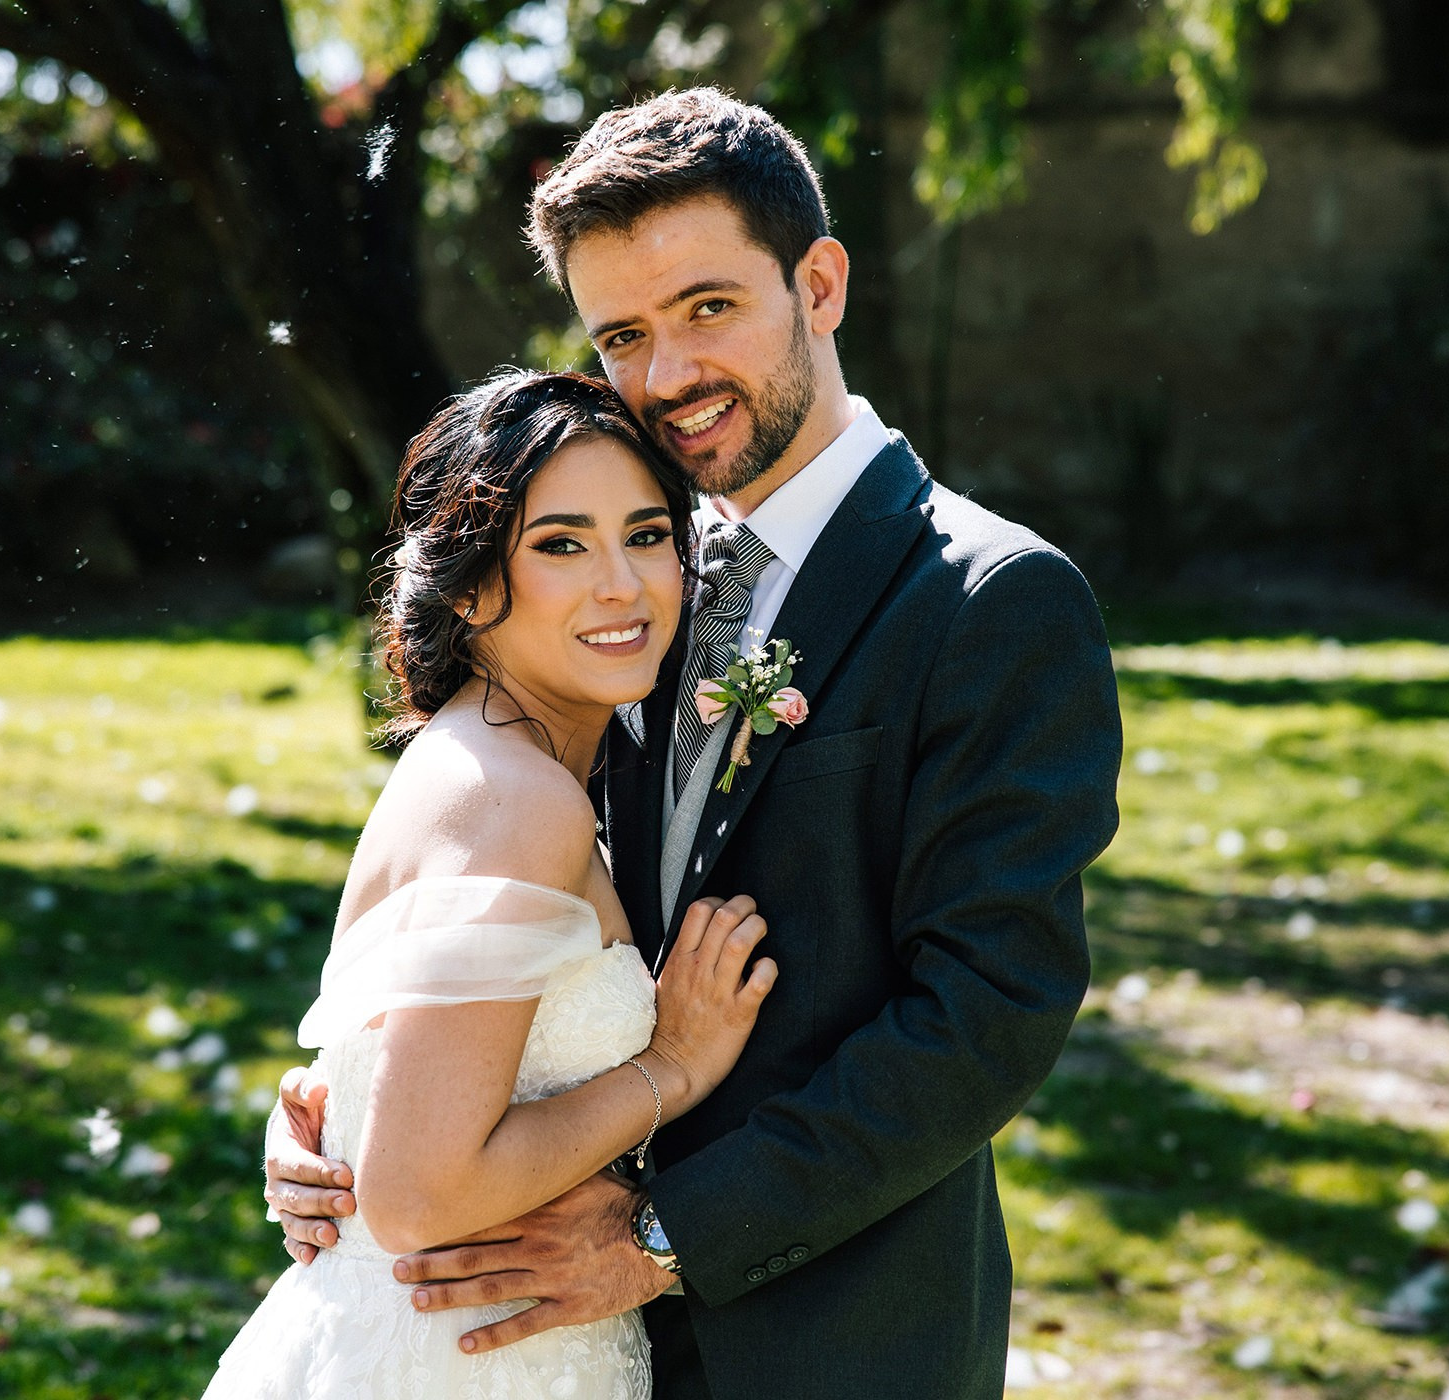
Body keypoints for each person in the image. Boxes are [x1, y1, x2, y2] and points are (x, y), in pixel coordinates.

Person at [268, 88, 1124, 1397]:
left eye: (709, 308)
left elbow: (986, 1018)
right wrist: (353, 1113)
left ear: (820, 284)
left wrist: (667, 1239)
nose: (666, 376)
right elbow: (485, 892)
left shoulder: (990, 602)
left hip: (839, 1330)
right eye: (623, 334)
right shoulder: (625, 588)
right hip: (553, 1328)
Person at [200, 369, 778, 1399]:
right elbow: (420, 1193)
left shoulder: (478, 762)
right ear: (469, 583)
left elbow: (386, 1074)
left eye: (646, 535)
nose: (621, 583)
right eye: (561, 544)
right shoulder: (519, 801)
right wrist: (673, 1067)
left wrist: (317, 1129)